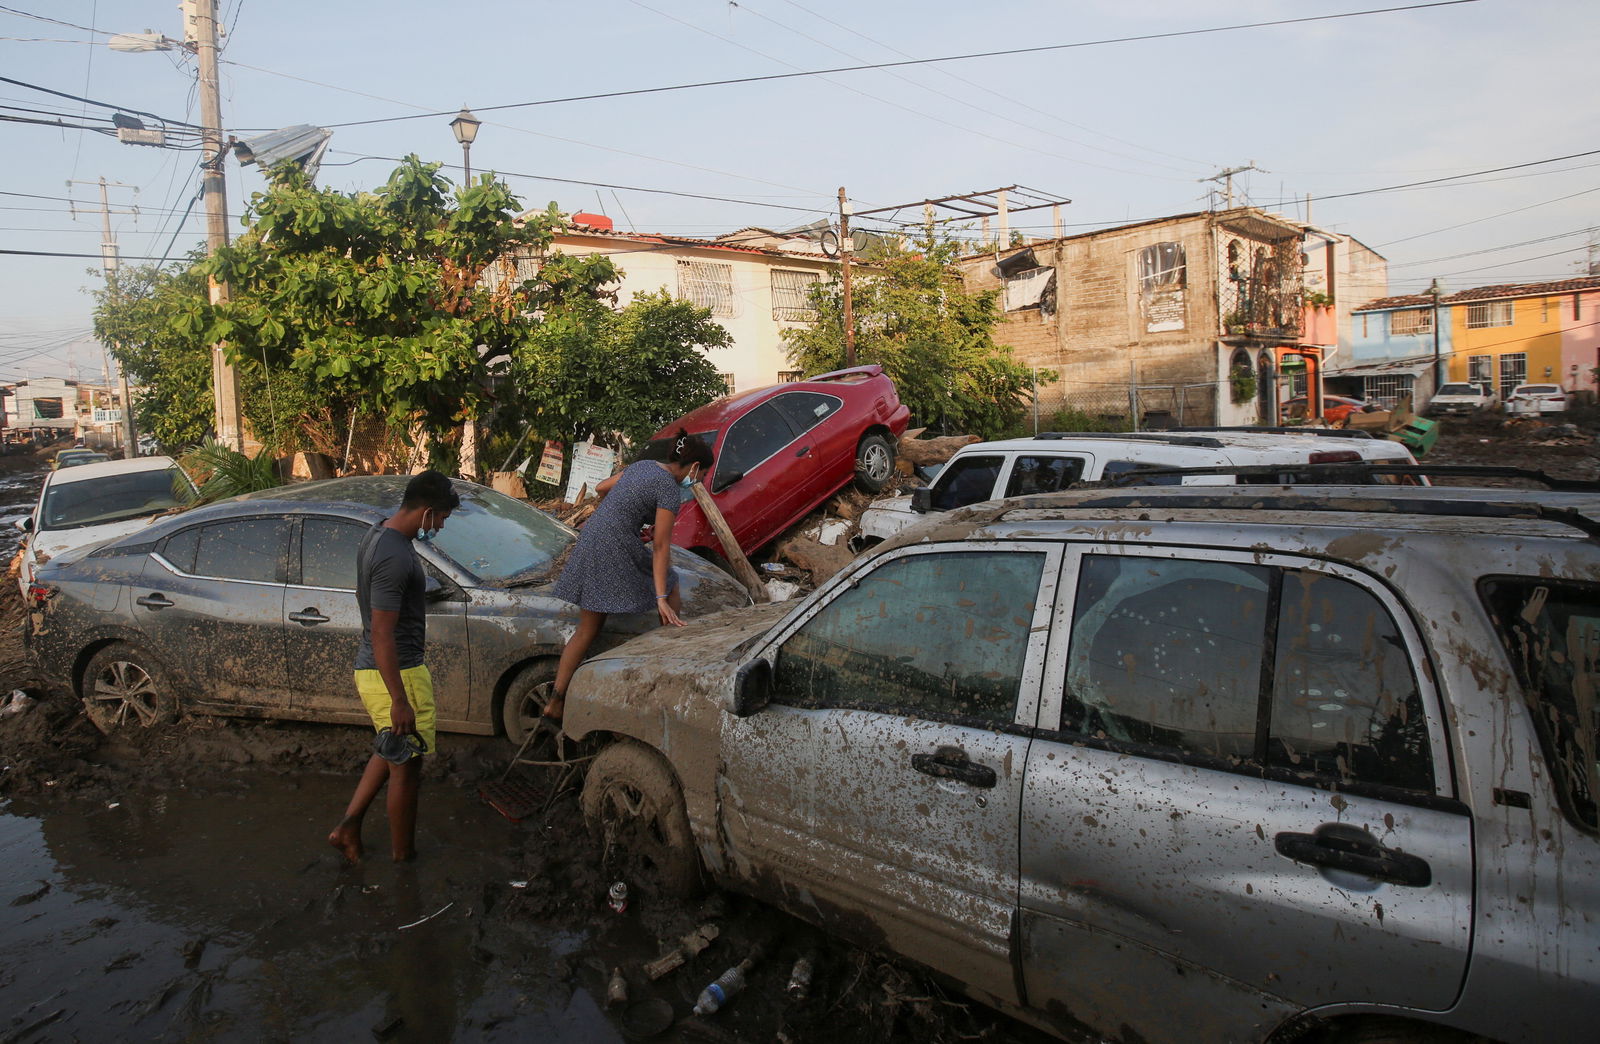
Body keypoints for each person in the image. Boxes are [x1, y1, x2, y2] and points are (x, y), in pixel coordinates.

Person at [327, 470, 460, 864]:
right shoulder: (395, 556)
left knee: (390, 750)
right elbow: (384, 633)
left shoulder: (379, 533)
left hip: (378, 668)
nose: (439, 527)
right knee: (407, 768)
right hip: (396, 673)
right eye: (440, 520)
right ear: (427, 512)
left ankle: (348, 827)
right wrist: (399, 700)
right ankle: (405, 859)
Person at [543, 430, 714, 723]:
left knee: (587, 629)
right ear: (694, 467)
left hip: (592, 537)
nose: (699, 481)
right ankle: (668, 664)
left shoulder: (643, 465)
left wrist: (630, 515)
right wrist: (660, 597)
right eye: (703, 474)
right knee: (670, 587)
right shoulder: (669, 491)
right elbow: (661, 546)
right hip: (615, 547)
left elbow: (600, 487)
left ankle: (555, 702)